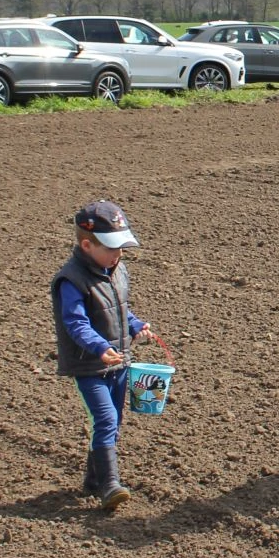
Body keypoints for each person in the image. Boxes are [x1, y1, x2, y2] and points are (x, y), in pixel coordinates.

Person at [53, 201, 163, 511]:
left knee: (112, 424)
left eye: (122, 247)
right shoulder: (71, 280)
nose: (119, 254)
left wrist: (137, 326)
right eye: (112, 248)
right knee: (105, 418)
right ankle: (109, 485)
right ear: (86, 245)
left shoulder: (116, 270)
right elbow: (75, 323)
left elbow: (120, 310)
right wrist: (100, 348)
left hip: (119, 362)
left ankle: (92, 480)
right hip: (89, 365)